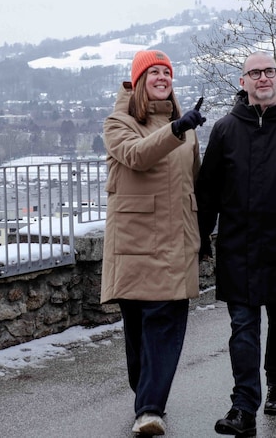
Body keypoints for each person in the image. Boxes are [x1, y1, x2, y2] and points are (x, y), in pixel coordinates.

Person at [195, 51, 276, 437]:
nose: (263, 78)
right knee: (243, 326)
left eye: (269, 71)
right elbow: (208, 193)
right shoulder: (225, 129)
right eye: (254, 73)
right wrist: (202, 239)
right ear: (243, 83)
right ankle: (243, 407)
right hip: (238, 248)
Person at [101, 49, 206, 436]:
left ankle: (150, 408)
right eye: (154, 72)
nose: (162, 77)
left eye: (167, 72)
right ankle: (146, 395)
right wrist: (176, 130)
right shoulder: (119, 122)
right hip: (133, 245)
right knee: (137, 336)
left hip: (176, 243)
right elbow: (136, 155)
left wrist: (204, 232)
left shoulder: (187, 128)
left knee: (164, 326)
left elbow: (196, 184)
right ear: (139, 80)